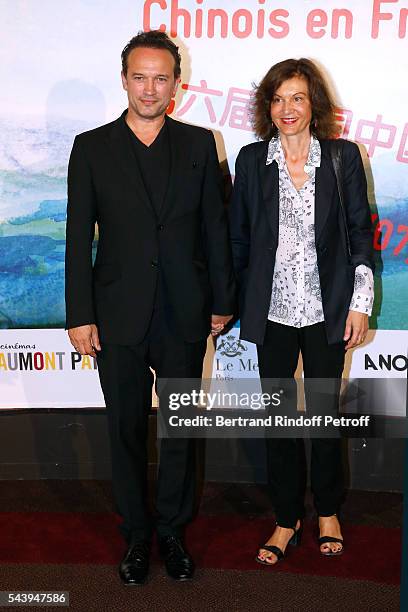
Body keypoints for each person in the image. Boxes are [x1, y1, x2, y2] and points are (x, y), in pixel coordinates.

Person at [65, 30, 234, 584]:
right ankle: (137, 534)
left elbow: (215, 227)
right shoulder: (91, 147)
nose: (150, 88)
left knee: (181, 427)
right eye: (140, 76)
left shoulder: (199, 144)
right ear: (124, 80)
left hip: (185, 310)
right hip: (116, 313)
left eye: (161, 78)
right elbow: (75, 237)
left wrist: (221, 301)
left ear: (176, 86)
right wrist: (79, 313)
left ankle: (172, 532)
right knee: (125, 430)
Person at [229, 58, 374, 564]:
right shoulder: (250, 162)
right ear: (266, 107)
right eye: (277, 98)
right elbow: (239, 240)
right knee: (278, 418)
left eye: (297, 98)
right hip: (270, 311)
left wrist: (360, 303)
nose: (287, 109)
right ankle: (286, 518)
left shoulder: (341, 157)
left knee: (324, 414)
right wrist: (229, 306)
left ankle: (329, 510)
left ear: (314, 105)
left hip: (326, 309)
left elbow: (360, 235)